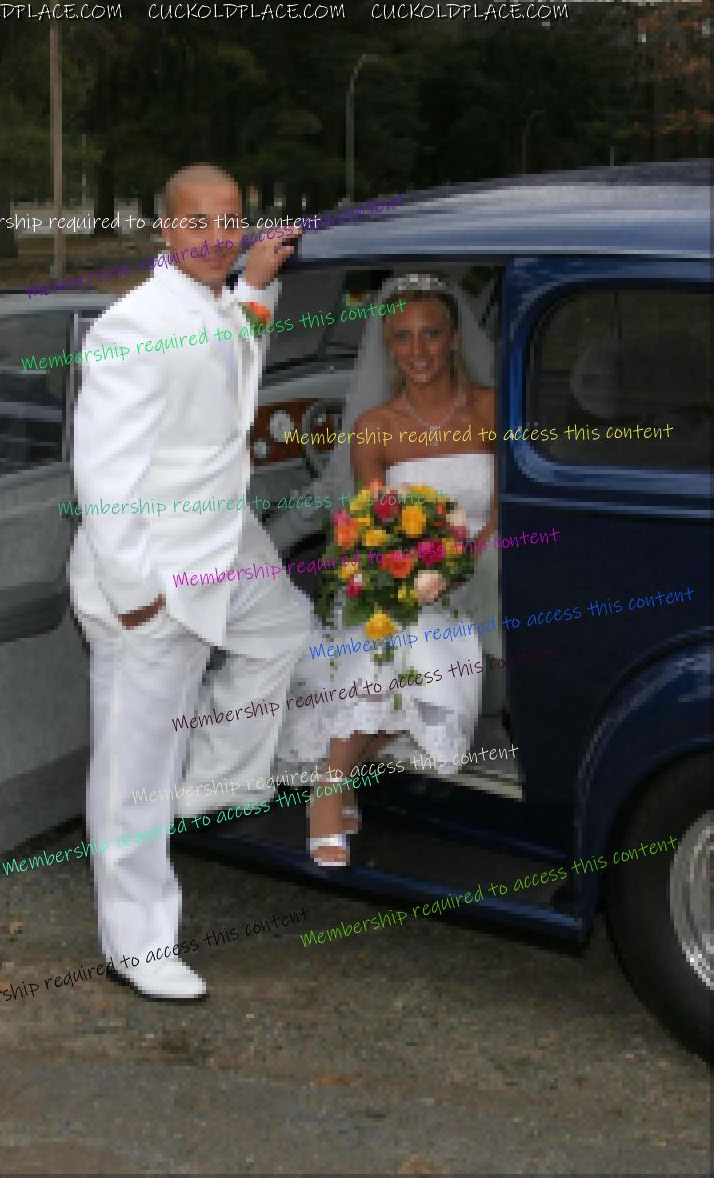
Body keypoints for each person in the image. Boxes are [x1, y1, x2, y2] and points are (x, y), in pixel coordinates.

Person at [69, 164, 312, 999]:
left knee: (285, 629)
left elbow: (234, 351)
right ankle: (137, 945)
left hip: (225, 545)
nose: (216, 237)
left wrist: (257, 286)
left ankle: (206, 778)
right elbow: (103, 479)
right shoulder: (133, 327)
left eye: (230, 221)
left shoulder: (216, 301)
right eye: (197, 222)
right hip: (152, 573)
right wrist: (138, 597)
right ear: (167, 230)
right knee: (132, 769)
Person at [276, 273, 501, 865]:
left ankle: (334, 778)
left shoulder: (489, 408)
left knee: (411, 628)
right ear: (387, 346)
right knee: (395, 622)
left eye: (431, 334)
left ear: (455, 337)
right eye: (403, 337)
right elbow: (368, 522)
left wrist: (462, 560)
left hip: (487, 564)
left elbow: (505, 505)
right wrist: (405, 575)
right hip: (404, 576)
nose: (418, 351)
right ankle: (334, 783)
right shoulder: (374, 427)